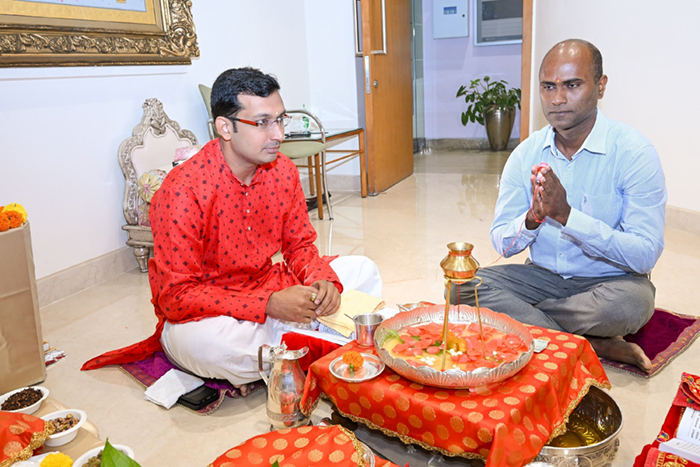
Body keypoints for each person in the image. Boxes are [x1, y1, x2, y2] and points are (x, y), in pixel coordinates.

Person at [82, 68, 382, 395]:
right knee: (205, 345)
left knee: (363, 269)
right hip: (211, 312)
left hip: (268, 283)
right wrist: (268, 305)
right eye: (262, 123)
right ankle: (311, 338)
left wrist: (320, 281)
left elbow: (299, 246)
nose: (278, 134)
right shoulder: (183, 191)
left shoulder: (283, 170)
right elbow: (176, 296)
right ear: (225, 127)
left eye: (280, 120)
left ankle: (289, 345)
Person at [450, 39, 666, 373]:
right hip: (542, 276)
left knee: (630, 306)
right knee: (460, 287)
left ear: (600, 86)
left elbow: (644, 254)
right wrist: (533, 218)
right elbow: (502, 244)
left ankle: (534, 324)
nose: (558, 99)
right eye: (548, 87)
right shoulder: (526, 153)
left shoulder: (634, 153)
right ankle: (589, 342)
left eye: (572, 85)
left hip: (610, 282)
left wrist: (567, 216)